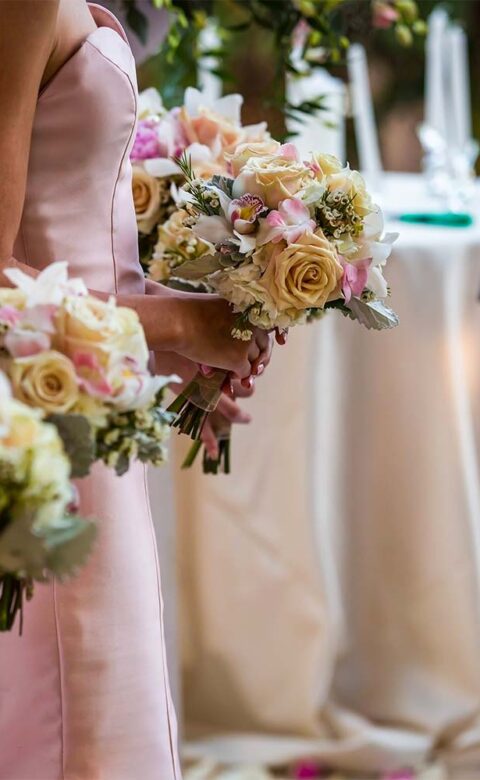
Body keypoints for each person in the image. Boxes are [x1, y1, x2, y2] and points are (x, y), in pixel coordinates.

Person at [0, 1, 274, 778]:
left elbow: (59, 239)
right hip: (51, 418)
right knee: (74, 717)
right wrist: (182, 329)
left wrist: (167, 335)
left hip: (91, 394)